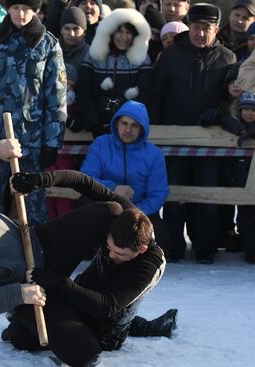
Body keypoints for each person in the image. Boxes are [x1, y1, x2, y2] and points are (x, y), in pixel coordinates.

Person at [0, 140, 174, 367]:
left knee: (111, 212)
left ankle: (107, 304)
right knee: (84, 353)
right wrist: (19, 294)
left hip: (36, 242)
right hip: (27, 286)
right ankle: (29, 324)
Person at [0, 0, 67, 226]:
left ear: (37, 10)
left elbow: (56, 97)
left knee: (33, 204)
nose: (21, 14)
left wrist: (52, 142)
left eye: (27, 8)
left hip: (31, 138)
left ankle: (37, 255)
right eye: (16, 7)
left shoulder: (47, 44)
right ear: (7, 8)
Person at [152, 3, 237, 263]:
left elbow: (231, 97)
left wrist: (218, 111)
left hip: (210, 140)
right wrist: (155, 132)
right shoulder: (170, 56)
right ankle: (174, 246)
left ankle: (205, 247)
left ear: (216, 30)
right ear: (190, 27)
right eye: (197, 27)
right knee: (174, 197)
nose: (201, 33)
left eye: (207, 29)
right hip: (173, 139)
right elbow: (156, 96)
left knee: (207, 196)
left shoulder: (226, 58)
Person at [80, 100, 171, 254]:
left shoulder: (154, 154)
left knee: (162, 241)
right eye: (124, 123)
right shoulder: (100, 144)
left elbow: (158, 193)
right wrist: (113, 188)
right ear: (116, 123)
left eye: (134, 125)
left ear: (142, 128)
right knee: (85, 204)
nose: (128, 130)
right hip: (106, 208)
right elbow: (86, 178)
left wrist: (134, 213)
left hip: (139, 212)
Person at [77, 8, 152, 137]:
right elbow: (84, 90)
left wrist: (126, 124)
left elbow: (145, 93)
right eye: (119, 32)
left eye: (128, 32)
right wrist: (93, 124)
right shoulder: (94, 55)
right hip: (96, 126)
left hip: (129, 129)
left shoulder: (142, 58)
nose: (123, 37)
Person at [220, 91, 255, 264]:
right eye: (246, 109)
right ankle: (250, 250)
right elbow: (224, 119)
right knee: (245, 218)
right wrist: (241, 130)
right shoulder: (234, 122)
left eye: (253, 110)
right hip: (239, 181)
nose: (249, 113)